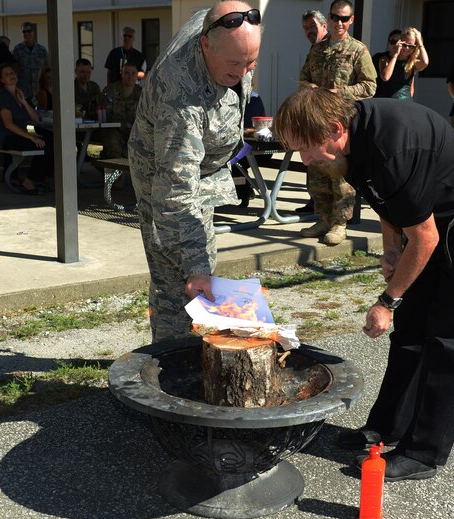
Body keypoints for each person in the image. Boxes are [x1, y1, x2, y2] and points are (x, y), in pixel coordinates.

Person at [273, 86, 454, 482]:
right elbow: (387, 200)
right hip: (429, 222)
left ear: (335, 128)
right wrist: (391, 251)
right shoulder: (354, 143)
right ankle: (386, 428)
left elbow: (426, 237)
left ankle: (423, 452)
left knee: (452, 339)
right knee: (411, 332)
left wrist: (387, 300)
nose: (306, 159)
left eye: (308, 148)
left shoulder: (392, 146)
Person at [128, 1, 261, 342]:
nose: (244, 73)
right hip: (162, 172)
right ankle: (168, 366)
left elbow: (214, 11)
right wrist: (195, 268)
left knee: (202, 261)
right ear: (205, 44)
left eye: (252, 62)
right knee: (176, 277)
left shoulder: (222, 27)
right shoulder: (180, 99)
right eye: (235, 64)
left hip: (203, 164)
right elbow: (175, 190)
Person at [298, 0, 376, 246]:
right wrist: (308, 87)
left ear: (351, 20)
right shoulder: (317, 49)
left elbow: (370, 86)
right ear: (328, 19)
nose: (339, 23)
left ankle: (340, 224)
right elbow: (304, 77)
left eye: (344, 18)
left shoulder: (357, 50)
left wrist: (340, 92)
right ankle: (322, 218)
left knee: (340, 175)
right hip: (317, 122)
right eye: (335, 17)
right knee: (317, 172)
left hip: (341, 126)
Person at [0, 63, 53, 195]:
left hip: (19, 135)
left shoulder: (19, 93)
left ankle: (36, 178)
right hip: (6, 137)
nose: (11, 76)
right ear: (2, 80)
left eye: (12, 73)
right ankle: (29, 181)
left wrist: (24, 102)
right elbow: (8, 124)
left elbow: (36, 119)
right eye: (7, 74)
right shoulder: (3, 96)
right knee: (43, 145)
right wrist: (31, 137)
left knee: (49, 141)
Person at [294, 9, 329, 215]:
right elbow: (303, 79)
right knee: (313, 161)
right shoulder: (313, 52)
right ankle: (315, 201)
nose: (309, 31)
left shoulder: (335, 49)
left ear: (325, 26)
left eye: (313, 26)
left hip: (334, 117)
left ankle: (333, 210)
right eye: (306, 28)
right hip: (314, 114)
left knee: (330, 162)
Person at [373, 27, 429, 100]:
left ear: (415, 48)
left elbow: (425, 62)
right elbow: (386, 77)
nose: (407, 48)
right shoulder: (385, 59)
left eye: (411, 46)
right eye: (404, 45)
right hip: (387, 102)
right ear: (399, 43)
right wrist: (395, 55)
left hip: (405, 104)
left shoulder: (412, 63)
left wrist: (420, 43)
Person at [100, 63, 141, 159]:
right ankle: (114, 173)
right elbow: (105, 114)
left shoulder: (142, 93)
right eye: (126, 73)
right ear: (121, 74)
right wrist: (124, 124)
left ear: (137, 75)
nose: (130, 76)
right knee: (114, 148)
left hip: (134, 131)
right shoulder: (110, 90)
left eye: (133, 73)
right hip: (113, 130)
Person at [12, 22, 49, 102]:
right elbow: (13, 71)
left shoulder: (42, 50)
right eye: (24, 31)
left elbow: (46, 71)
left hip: (38, 93)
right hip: (22, 93)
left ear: (33, 32)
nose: (26, 33)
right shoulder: (17, 50)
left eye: (29, 31)